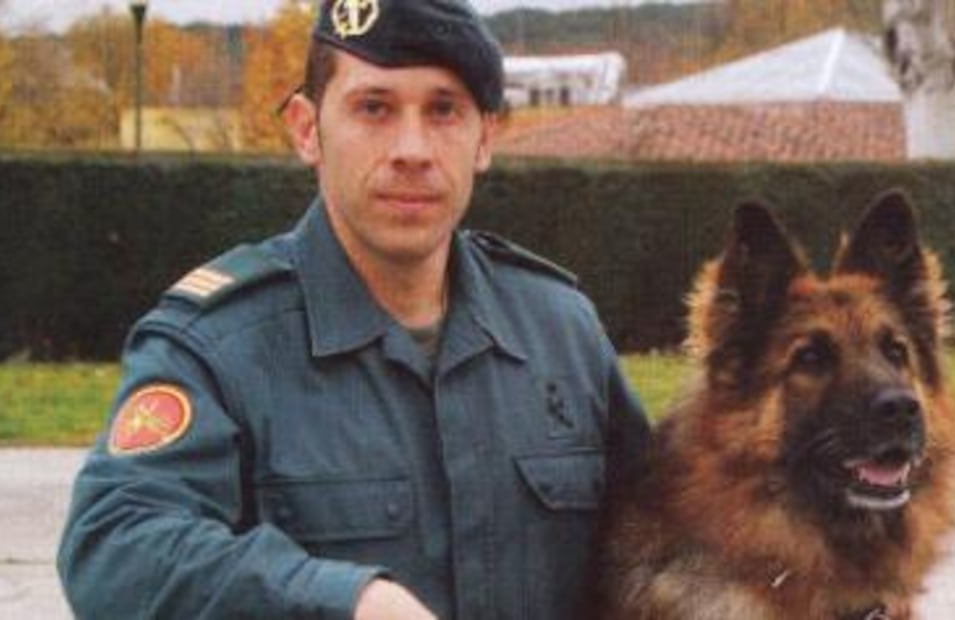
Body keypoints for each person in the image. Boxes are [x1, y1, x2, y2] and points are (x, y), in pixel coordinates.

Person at [57, 1, 649, 618]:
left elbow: (668, 535)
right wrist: (344, 603)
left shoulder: (560, 331)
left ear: (486, 137)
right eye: (374, 108)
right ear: (307, 129)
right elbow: (114, 547)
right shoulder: (218, 347)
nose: (412, 150)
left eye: (444, 110)